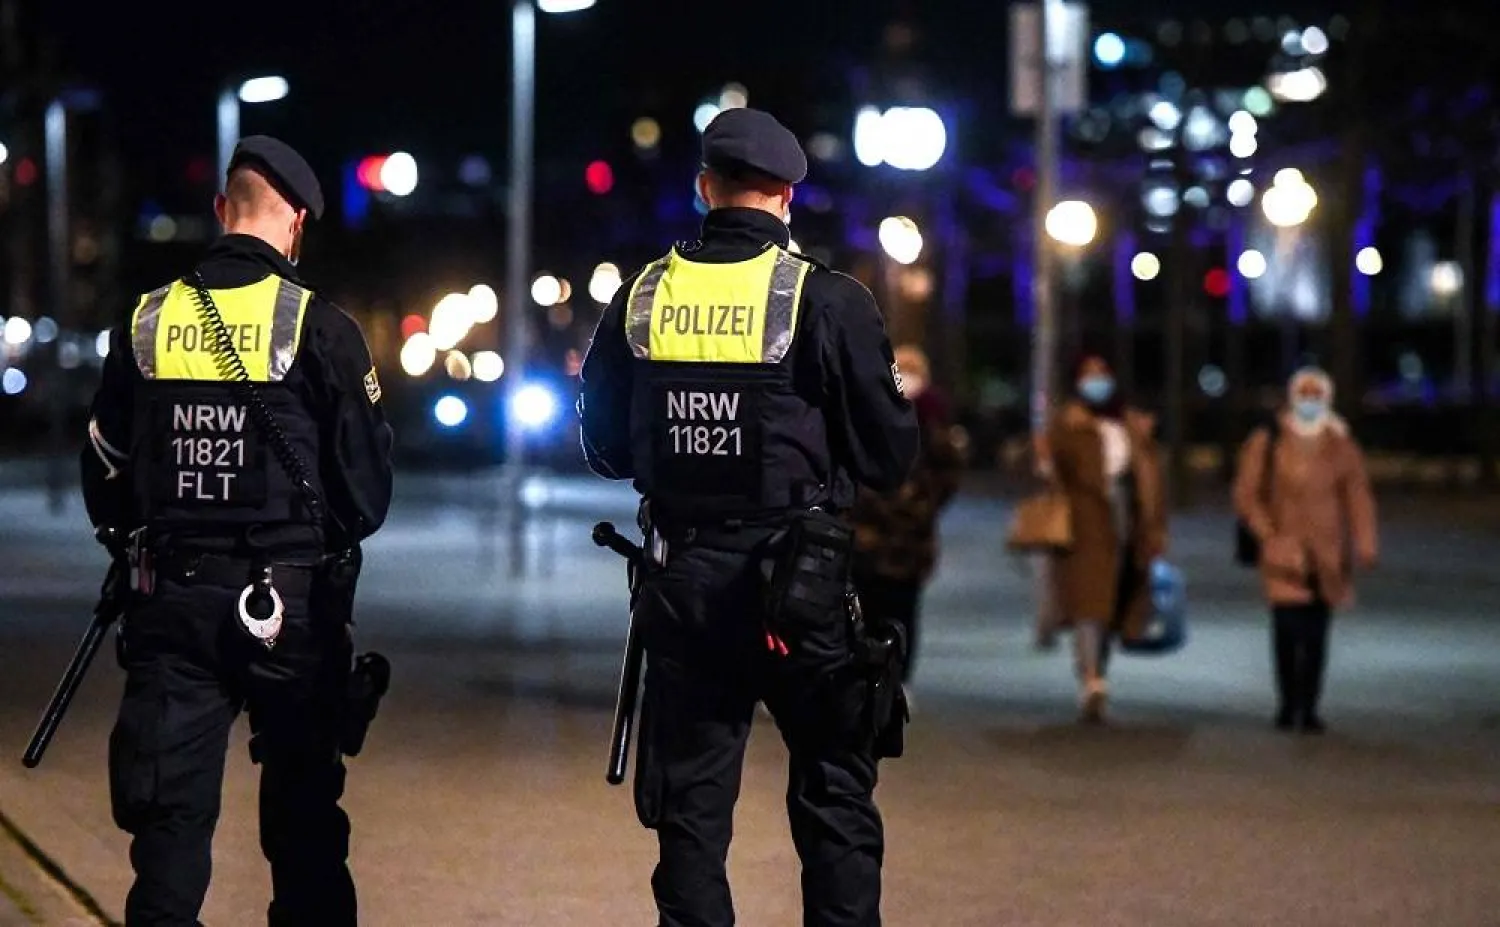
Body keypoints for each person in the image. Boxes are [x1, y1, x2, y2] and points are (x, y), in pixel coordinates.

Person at [579, 107, 918, 927]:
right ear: (788, 196)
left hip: (684, 580)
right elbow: (889, 456)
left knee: (691, 813)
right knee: (834, 795)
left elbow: (605, 447)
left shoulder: (644, 294)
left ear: (705, 189)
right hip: (801, 585)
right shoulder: (829, 300)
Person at [80, 135, 395, 926]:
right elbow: (367, 491)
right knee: (305, 832)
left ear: (222, 211)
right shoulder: (320, 327)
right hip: (291, 611)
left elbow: (104, 468)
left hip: (173, 603)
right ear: (295, 222)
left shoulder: (149, 318)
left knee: (168, 829)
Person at [1232, 366, 1377, 734]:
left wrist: (1365, 542)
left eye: (1317, 394)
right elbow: (1247, 495)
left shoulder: (1340, 443)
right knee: (1285, 627)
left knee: (1316, 632)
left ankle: (1309, 706)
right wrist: (1268, 535)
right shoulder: (1269, 440)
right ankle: (1287, 703)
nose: (1309, 401)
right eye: (1304, 393)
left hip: (1328, 553)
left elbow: (1358, 496)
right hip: (1283, 549)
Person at [1038, 354, 1167, 723]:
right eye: (1089, 375)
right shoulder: (1068, 424)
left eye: (1102, 374)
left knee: (1113, 603)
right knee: (1088, 604)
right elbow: (1050, 471)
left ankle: (1099, 671)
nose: (1096, 381)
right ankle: (1091, 677)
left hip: (1126, 521)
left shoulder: (1128, 423)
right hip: (1084, 524)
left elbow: (1150, 478)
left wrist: (1155, 528)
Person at [850, 344, 963, 685]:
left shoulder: (933, 419)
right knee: (867, 606)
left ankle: (897, 678)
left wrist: (924, 504)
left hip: (908, 535)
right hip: (870, 531)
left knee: (902, 608)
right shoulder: (866, 411)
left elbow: (948, 472)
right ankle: (872, 675)